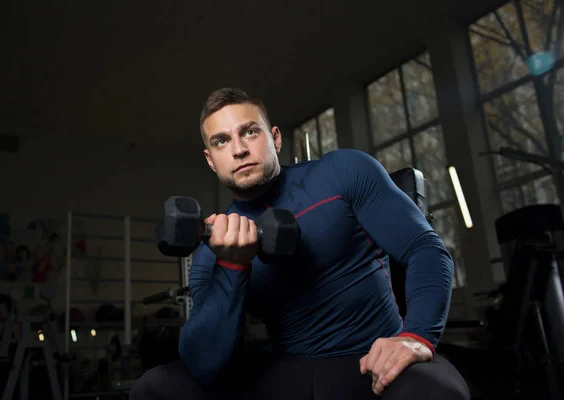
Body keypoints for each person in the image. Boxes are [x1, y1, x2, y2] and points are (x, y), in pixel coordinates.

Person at [131, 88, 469, 399]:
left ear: (275, 138)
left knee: (437, 390)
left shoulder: (342, 172)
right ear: (210, 159)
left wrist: (416, 337)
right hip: (287, 370)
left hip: (372, 358)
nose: (238, 149)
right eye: (221, 141)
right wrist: (232, 265)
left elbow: (425, 248)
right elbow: (205, 365)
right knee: (156, 388)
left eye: (250, 131)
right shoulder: (215, 244)